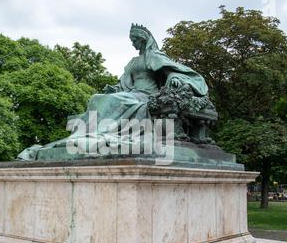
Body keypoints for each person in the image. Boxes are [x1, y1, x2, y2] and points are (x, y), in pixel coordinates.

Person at [18, 24, 210, 160]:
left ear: (143, 40)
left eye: (135, 39)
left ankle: (98, 133)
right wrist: (115, 89)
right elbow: (124, 85)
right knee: (98, 98)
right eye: (131, 40)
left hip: (146, 96)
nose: (133, 43)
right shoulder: (132, 63)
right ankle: (88, 135)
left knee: (116, 101)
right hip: (132, 94)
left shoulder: (154, 57)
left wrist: (173, 79)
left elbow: (179, 74)